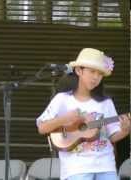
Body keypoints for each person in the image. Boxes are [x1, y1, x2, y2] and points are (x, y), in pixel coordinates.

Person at [36, 48, 130, 180]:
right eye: (92, 71)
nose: (96, 77)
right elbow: (42, 127)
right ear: (79, 70)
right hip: (76, 169)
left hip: (106, 166)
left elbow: (112, 136)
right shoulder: (62, 99)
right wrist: (65, 118)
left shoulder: (106, 102)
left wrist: (125, 131)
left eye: (100, 74)